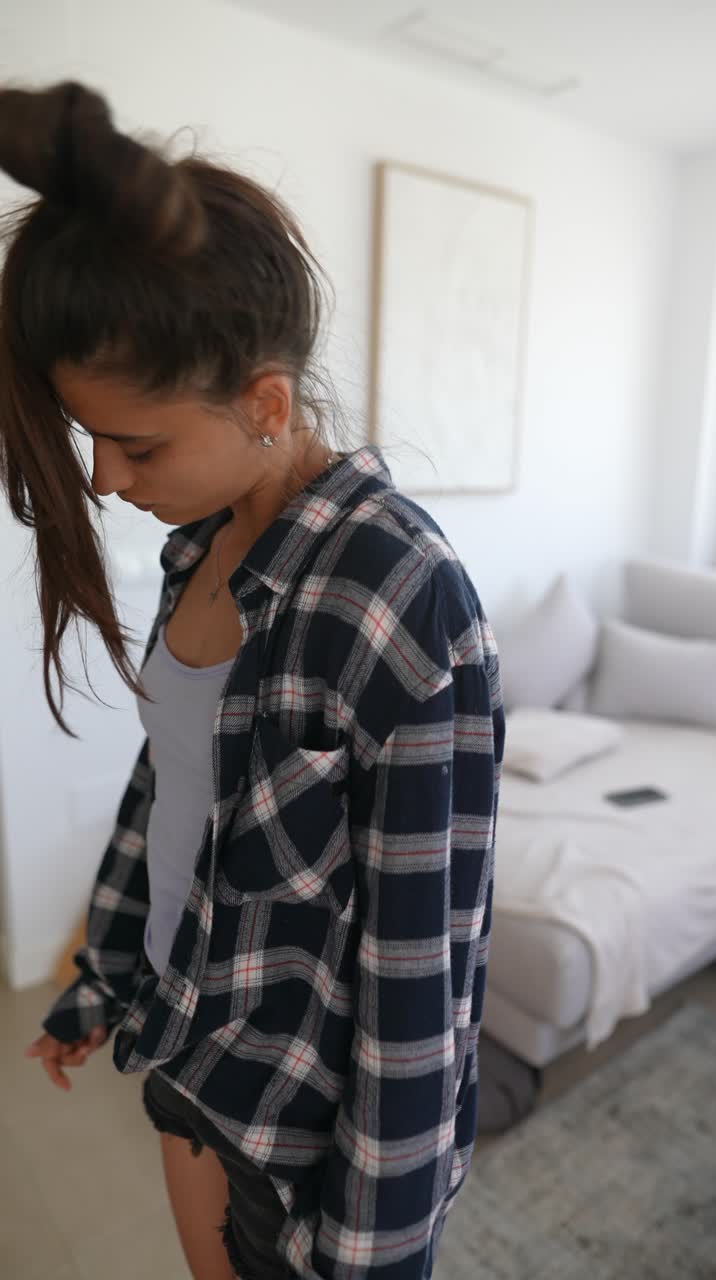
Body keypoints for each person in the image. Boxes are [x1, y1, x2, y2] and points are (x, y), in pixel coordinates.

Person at [0, 80, 505, 1280]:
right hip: (189, 1052)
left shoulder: (397, 593)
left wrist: (371, 1247)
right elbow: (172, 788)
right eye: (90, 439)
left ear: (267, 403)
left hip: (301, 1141)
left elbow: (421, 969)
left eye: (137, 443)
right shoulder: (203, 545)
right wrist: (104, 975)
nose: (106, 479)